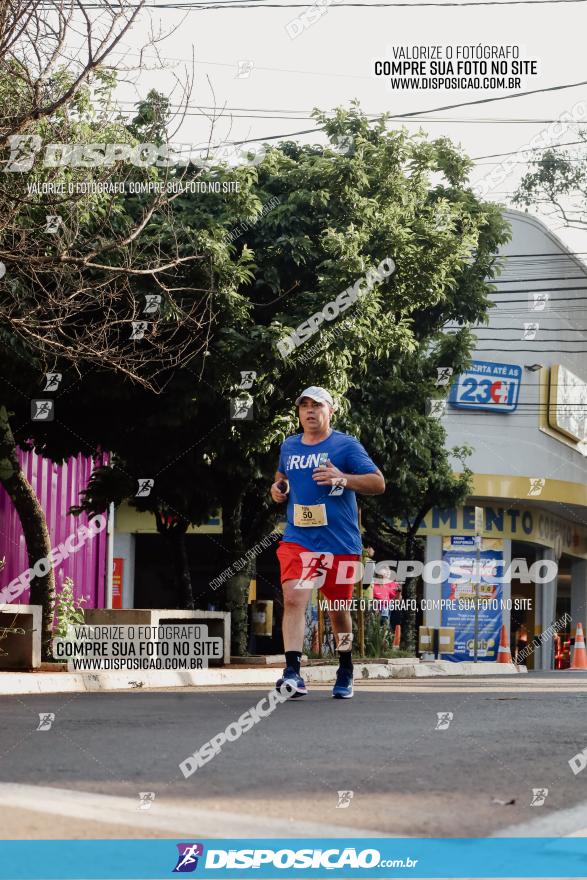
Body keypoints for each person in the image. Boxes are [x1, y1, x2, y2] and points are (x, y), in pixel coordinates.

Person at [270, 386, 385, 699]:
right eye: (304, 405)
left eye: (316, 406)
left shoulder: (345, 445)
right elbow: (281, 477)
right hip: (299, 538)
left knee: (337, 611)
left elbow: (378, 482)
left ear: (330, 411)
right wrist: (278, 489)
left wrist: (342, 478)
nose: (309, 411)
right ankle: (292, 671)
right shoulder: (289, 445)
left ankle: (345, 665)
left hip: (339, 543)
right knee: (294, 598)